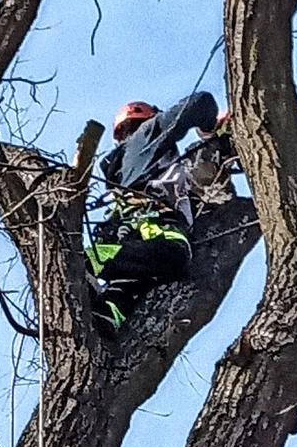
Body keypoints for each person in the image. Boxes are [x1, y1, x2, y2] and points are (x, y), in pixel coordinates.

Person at [86, 91, 236, 330]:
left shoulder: (134, 170)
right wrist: (210, 128)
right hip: (160, 238)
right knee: (168, 254)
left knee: (125, 288)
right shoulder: (147, 135)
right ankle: (88, 262)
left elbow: (198, 174)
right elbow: (200, 103)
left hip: (137, 245)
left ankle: (107, 311)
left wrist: (219, 147)